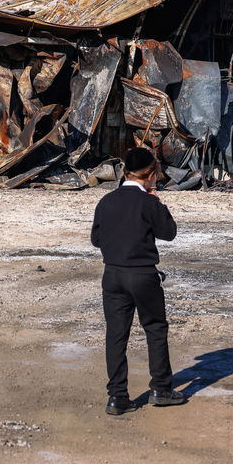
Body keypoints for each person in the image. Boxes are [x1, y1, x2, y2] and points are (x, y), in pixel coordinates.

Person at [90, 147, 186, 415]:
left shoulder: (106, 201)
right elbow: (169, 233)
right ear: (151, 174)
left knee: (116, 336)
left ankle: (117, 397)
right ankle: (161, 389)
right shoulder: (149, 202)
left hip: (112, 275)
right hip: (142, 275)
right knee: (155, 329)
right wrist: (159, 203)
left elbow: (96, 240)